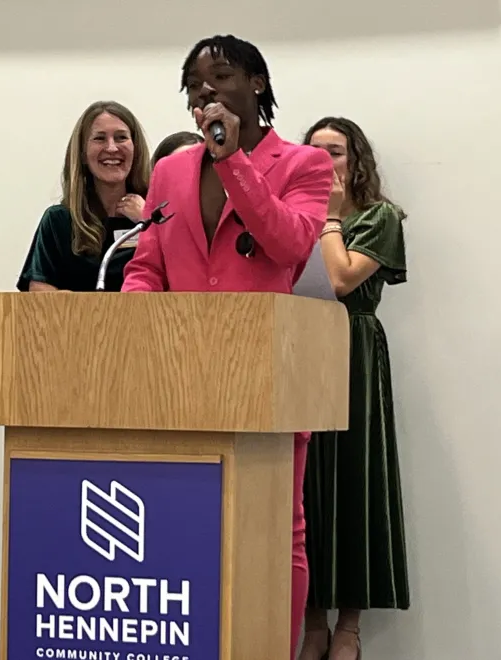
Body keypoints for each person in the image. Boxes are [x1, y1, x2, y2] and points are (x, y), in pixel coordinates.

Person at [120, 35, 334, 659]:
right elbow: (147, 264)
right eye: (193, 84)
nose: (205, 91)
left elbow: (291, 244)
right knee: (189, 525)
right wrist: (137, 315)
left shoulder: (303, 165)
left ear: (257, 84)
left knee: (277, 531)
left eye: (219, 77)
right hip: (180, 374)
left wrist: (235, 160)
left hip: (267, 372)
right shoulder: (168, 171)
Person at [298, 116, 410, 660]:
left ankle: (349, 627)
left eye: (335, 153)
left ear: (356, 160)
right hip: (298, 350)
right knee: (304, 486)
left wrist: (329, 216)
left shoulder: (379, 217)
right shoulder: (293, 217)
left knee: (354, 480)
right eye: (313, 152)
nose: (324, 162)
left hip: (355, 355)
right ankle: (311, 619)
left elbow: (341, 279)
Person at [16, 100, 151, 292]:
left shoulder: (154, 218)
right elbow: (39, 294)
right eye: (100, 138)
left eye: (121, 137)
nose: (112, 148)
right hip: (74, 322)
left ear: (135, 149)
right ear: (82, 153)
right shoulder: (59, 221)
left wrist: (147, 221)